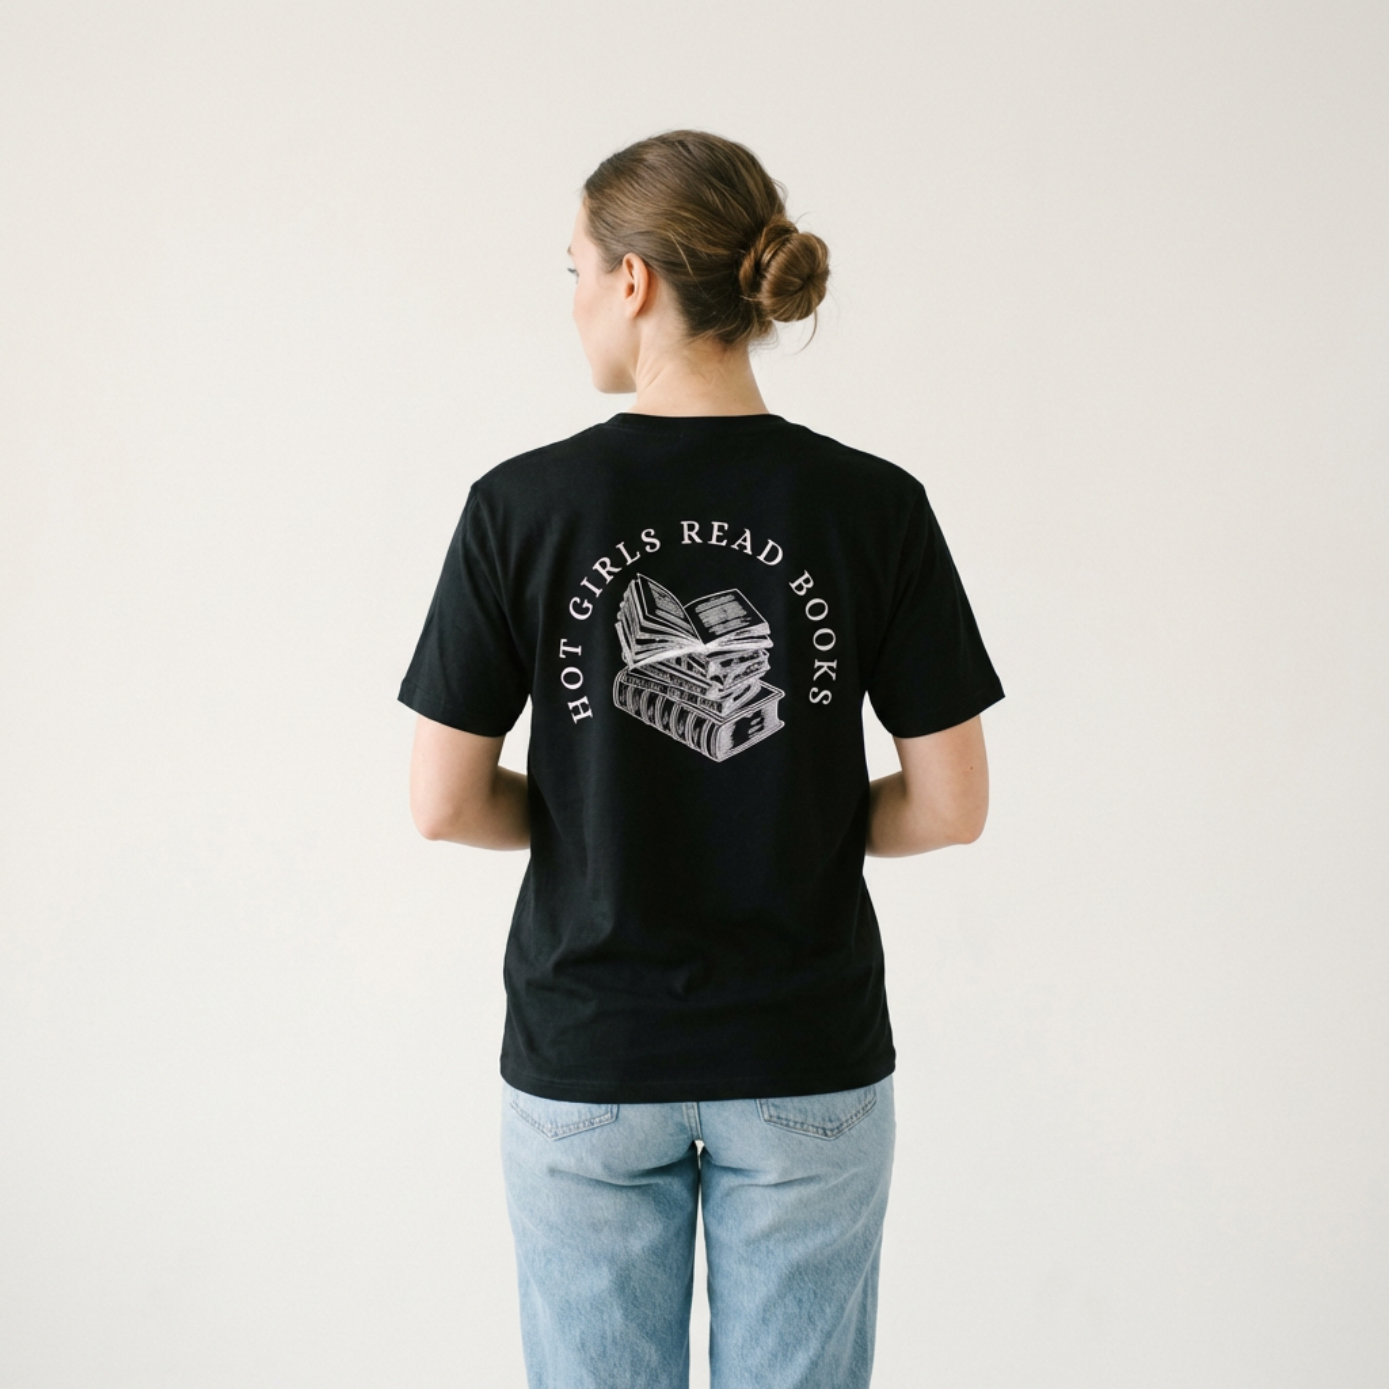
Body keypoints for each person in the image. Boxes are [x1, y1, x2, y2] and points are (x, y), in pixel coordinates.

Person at [398, 129, 1004, 1389]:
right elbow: (952, 808)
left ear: (632, 280)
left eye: (573, 269)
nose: (572, 300)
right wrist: (802, 814)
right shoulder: (874, 505)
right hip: (804, 1052)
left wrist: (594, 811)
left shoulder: (521, 506)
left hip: (591, 1051)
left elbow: (443, 803)